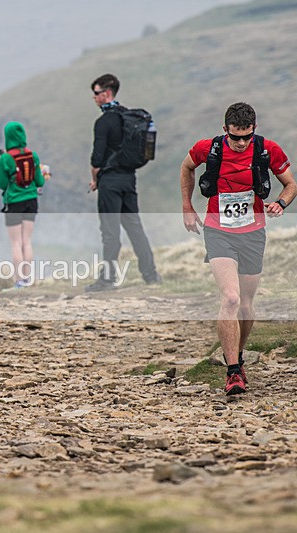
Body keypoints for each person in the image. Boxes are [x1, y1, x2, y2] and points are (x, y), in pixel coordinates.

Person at [180, 102, 296, 395]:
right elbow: (186, 166)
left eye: (247, 136)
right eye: (235, 137)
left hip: (253, 233)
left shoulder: (268, 149)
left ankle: (239, 356)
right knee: (230, 298)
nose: (241, 143)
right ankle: (232, 371)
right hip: (218, 231)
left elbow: (290, 185)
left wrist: (280, 203)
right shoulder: (208, 148)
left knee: (245, 304)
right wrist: (187, 207)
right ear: (225, 130)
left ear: (254, 129)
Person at [87, 73, 161, 292]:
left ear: (107, 93)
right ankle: (151, 276)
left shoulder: (103, 122)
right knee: (135, 229)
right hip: (129, 179)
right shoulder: (129, 117)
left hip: (109, 181)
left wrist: (94, 179)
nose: (94, 97)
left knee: (110, 233)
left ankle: (107, 280)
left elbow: (97, 159)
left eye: (96, 93)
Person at [0, 121, 46, 288]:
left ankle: (19, 281)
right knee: (27, 241)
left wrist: (2, 164)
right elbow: (39, 181)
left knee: (16, 243)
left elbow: (1, 184)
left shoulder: (5, 158)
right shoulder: (33, 156)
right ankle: (28, 278)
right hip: (31, 201)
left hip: (14, 203)